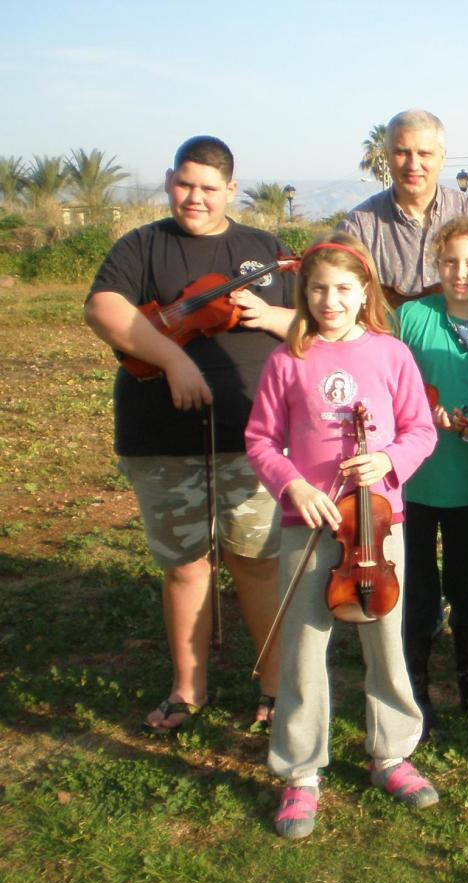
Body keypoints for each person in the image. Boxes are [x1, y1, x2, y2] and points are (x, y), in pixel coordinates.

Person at [84, 135, 293, 734]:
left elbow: (322, 315)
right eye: (185, 184)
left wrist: (275, 316)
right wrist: (174, 361)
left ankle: (277, 687)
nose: (194, 198)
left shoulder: (263, 249)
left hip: (253, 439)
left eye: (209, 188)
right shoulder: (143, 245)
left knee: (258, 561)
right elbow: (104, 309)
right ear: (169, 180)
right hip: (161, 439)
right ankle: (187, 690)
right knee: (185, 565)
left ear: (231, 189)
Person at [244, 233, 439, 839]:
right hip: (311, 525)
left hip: (377, 528)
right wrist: (292, 487)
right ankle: (300, 772)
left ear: (364, 295)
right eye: (319, 289)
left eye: (343, 289)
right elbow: (260, 440)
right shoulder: (288, 358)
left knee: (385, 640)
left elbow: (421, 430)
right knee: (304, 649)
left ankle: (392, 753)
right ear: (304, 294)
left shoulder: (390, 354)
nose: (331, 300)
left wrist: (388, 463)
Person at [341, 108, 468, 671]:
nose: (412, 163)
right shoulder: (362, 222)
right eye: (401, 152)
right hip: (397, 381)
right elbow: (350, 295)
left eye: (424, 153)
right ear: (386, 156)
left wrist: (463, 317)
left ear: (441, 158)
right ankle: (405, 622)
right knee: (409, 527)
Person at [392, 216, 468, 733]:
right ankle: (415, 687)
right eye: (449, 262)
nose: (460, 273)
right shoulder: (411, 317)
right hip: (412, 482)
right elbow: (387, 386)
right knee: (417, 588)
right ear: (435, 264)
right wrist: (419, 414)